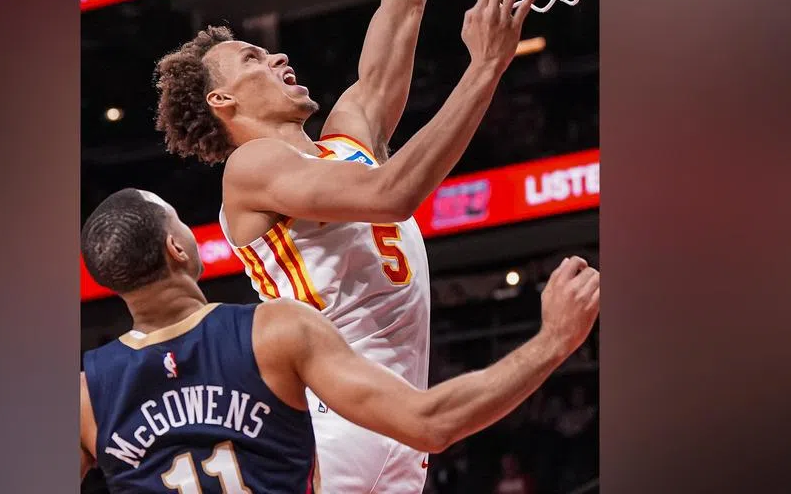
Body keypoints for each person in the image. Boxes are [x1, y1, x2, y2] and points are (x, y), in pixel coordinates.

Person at [154, 0, 541, 492]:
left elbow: (404, 0)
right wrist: (485, 69)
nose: (275, 59)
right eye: (250, 59)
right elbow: (392, 198)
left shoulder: (349, 132)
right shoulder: (252, 167)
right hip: (330, 424)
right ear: (222, 103)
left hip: (395, 421)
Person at [79, 189, 600, 493]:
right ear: (178, 247)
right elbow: (430, 422)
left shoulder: (86, 395)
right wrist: (554, 340)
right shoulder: (274, 330)